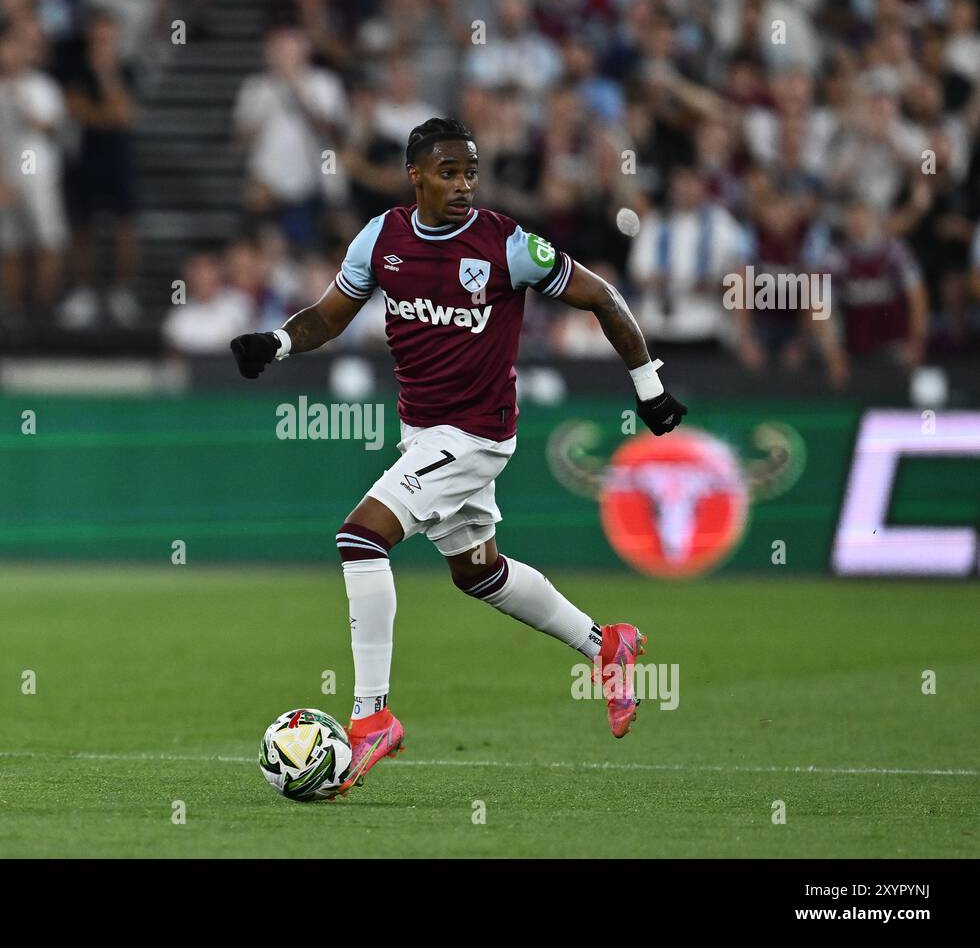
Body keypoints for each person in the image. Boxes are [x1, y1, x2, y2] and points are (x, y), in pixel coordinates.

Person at [228, 118, 687, 794]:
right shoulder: (382, 239)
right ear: (416, 176)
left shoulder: (508, 245)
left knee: (360, 537)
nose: (464, 185)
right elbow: (331, 313)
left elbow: (603, 296)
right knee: (478, 572)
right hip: (422, 434)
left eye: (471, 172)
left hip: (475, 434)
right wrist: (277, 342)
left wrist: (649, 388)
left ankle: (371, 716)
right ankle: (605, 643)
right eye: (449, 173)